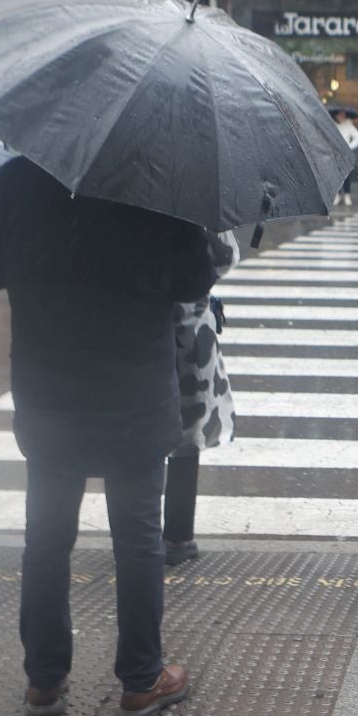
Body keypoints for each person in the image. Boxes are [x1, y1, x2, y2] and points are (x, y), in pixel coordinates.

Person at [0, 156, 218, 716]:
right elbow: (193, 280)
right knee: (138, 538)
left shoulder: (16, 179)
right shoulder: (158, 186)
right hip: (134, 394)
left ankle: (44, 681)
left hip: (48, 391)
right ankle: (140, 679)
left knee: (47, 539)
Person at [163, 230, 240, 567]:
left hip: (130, 323)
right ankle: (177, 537)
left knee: (134, 425)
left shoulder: (119, 192)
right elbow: (225, 256)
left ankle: (137, 530)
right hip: (189, 332)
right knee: (186, 432)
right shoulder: (198, 192)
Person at [333, 112, 358, 208]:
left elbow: (357, 137)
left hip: (346, 154)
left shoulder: (348, 125)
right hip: (335, 153)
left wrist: (350, 147)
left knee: (347, 176)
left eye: (343, 115)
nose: (341, 117)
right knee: (336, 176)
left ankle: (347, 195)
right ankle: (337, 196)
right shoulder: (332, 124)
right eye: (339, 115)